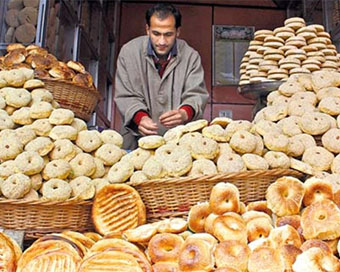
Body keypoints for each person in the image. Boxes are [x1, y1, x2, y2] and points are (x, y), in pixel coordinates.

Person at [114, 2, 209, 150]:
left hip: (179, 143)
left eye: (168, 34)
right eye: (156, 33)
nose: (162, 41)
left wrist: (184, 113)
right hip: (136, 142)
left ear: (178, 31)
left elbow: (196, 94)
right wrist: (140, 118)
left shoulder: (191, 56)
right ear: (147, 29)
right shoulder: (129, 52)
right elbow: (126, 95)